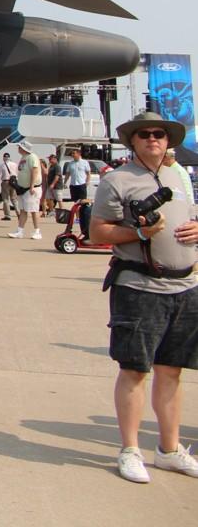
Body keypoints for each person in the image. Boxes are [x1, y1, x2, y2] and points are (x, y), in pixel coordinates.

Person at [88, 112, 198, 482]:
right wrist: (139, 231)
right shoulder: (116, 180)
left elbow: (191, 216)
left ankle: (169, 449)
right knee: (135, 369)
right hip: (140, 287)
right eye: (145, 134)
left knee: (172, 371)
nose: (154, 139)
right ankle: (130, 449)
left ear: (169, 141)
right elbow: (98, 231)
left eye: (160, 134)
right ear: (132, 141)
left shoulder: (179, 176)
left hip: (185, 287)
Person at [8, 143, 43, 240]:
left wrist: (32, 186)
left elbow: (34, 171)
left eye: (20, 147)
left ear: (24, 148)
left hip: (31, 188)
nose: (18, 148)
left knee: (33, 210)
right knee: (23, 210)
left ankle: (37, 231)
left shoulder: (32, 157)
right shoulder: (23, 158)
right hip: (23, 189)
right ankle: (20, 231)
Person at [65, 147, 93, 236]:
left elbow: (88, 173)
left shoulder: (84, 163)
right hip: (73, 185)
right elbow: (68, 174)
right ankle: (77, 218)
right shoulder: (71, 164)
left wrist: (87, 182)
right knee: (75, 203)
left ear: (78, 154)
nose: (72, 155)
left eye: (74, 153)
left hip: (81, 184)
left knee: (83, 203)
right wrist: (65, 182)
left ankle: (82, 218)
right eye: (72, 154)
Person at [0, 151, 16, 221]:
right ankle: (19, 213)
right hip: (13, 182)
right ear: (9, 158)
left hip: (5, 182)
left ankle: (7, 215)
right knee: (14, 199)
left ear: (3, 158)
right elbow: (17, 173)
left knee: (6, 199)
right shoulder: (14, 164)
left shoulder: (1, 165)